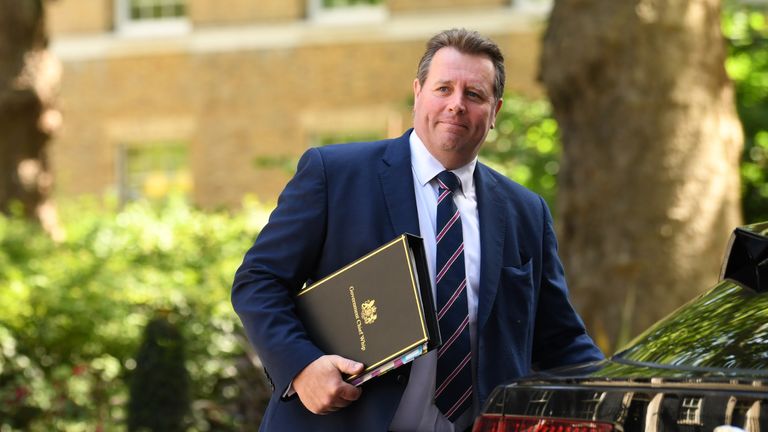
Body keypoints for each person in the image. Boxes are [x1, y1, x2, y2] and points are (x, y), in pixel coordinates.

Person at [232, 28, 604, 432]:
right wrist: (302, 366)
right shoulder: (335, 175)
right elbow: (258, 281)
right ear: (418, 93)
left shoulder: (525, 212)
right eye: (443, 88)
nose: (456, 105)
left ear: (495, 111)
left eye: (474, 95)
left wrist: (625, 393)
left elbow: (561, 341)